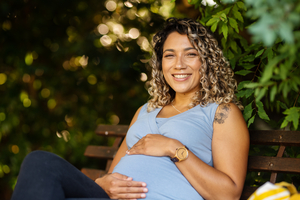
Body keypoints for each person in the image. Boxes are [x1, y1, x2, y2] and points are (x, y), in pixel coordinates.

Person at [11, 17, 249, 200]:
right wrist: (103, 184)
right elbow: (112, 175)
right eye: (170, 55)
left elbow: (229, 194)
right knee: (40, 163)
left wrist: (173, 147)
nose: (179, 64)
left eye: (190, 54)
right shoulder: (146, 110)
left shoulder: (221, 113)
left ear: (206, 62)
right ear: (161, 64)